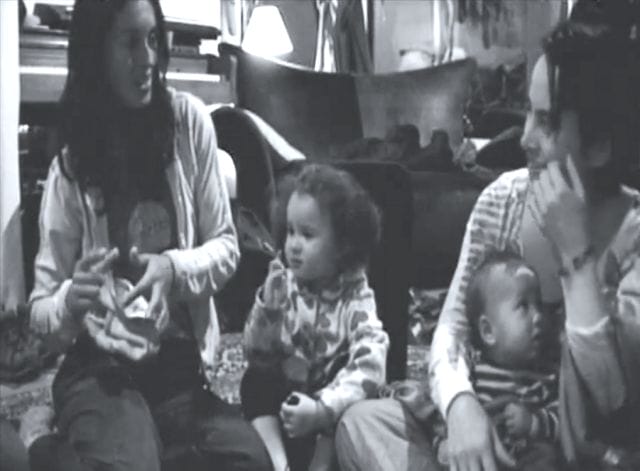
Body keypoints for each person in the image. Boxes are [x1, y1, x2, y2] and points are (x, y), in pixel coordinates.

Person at [335, 1, 640, 470]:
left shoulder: (633, 238)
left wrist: (577, 260)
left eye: (548, 121)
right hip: (485, 437)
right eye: (528, 114)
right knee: (363, 422)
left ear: (600, 145)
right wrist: (460, 406)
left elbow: (610, 409)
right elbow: (452, 331)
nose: (524, 139)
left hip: (561, 452)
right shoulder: (503, 200)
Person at [25, 0, 271, 470]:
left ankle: (113, 446)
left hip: (177, 367)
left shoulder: (189, 122)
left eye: (154, 39)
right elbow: (40, 308)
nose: (149, 59)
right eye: (130, 42)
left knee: (250, 463)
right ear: (97, 50)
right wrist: (69, 301)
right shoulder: (72, 162)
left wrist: (173, 268)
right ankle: (41, 443)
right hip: (100, 369)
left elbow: (225, 247)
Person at [240, 164, 389, 471]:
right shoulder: (285, 281)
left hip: (327, 408)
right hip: (287, 403)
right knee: (254, 381)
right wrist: (268, 309)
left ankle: (321, 463)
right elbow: (256, 353)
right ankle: (277, 461)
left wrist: (323, 409)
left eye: (307, 235)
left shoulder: (355, 294)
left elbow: (372, 360)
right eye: (291, 231)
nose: (293, 244)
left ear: (343, 245)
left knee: (358, 400)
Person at [433, 251, 561, 470]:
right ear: (488, 331)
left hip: (521, 461)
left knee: (547, 457)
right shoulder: (471, 372)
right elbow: (442, 417)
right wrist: (441, 444)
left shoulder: (545, 376)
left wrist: (533, 423)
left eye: (538, 305)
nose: (538, 316)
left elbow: (562, 423)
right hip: (476, 463)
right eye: (523, 306)